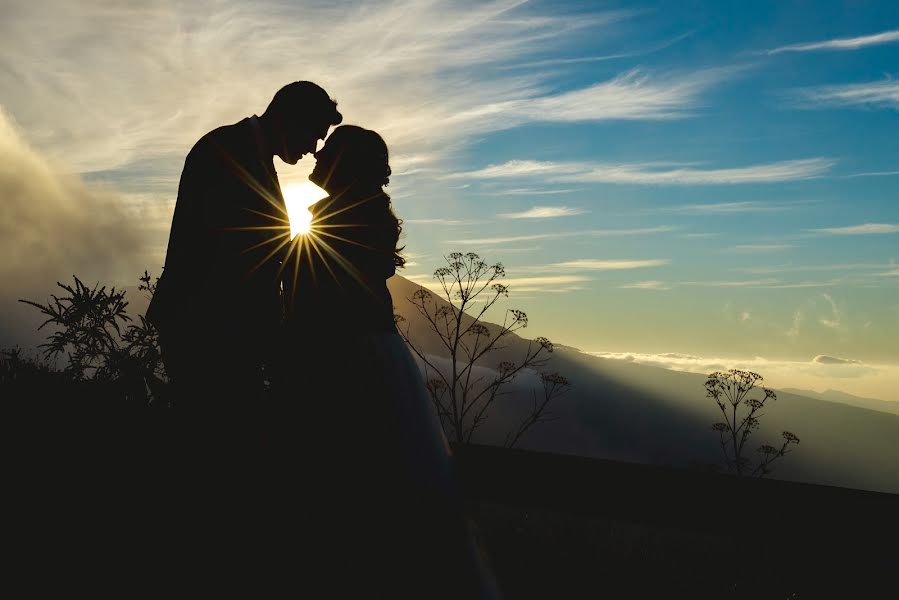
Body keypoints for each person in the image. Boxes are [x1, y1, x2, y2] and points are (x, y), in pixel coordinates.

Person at [276, 125, 501, 598]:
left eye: (328, 152)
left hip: (343, 362)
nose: (316, 157)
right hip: (369, 354)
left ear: (345, 167)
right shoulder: (359, 218)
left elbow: (319, 302)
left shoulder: (341, 223)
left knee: (354, 474)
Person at [147, 81, 342, 411]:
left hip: (219, 327)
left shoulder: (243, 150)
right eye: (313, 134)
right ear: (290, 119)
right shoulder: (226, 151)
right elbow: (232, 250)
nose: (313, 148)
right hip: (206, 330)